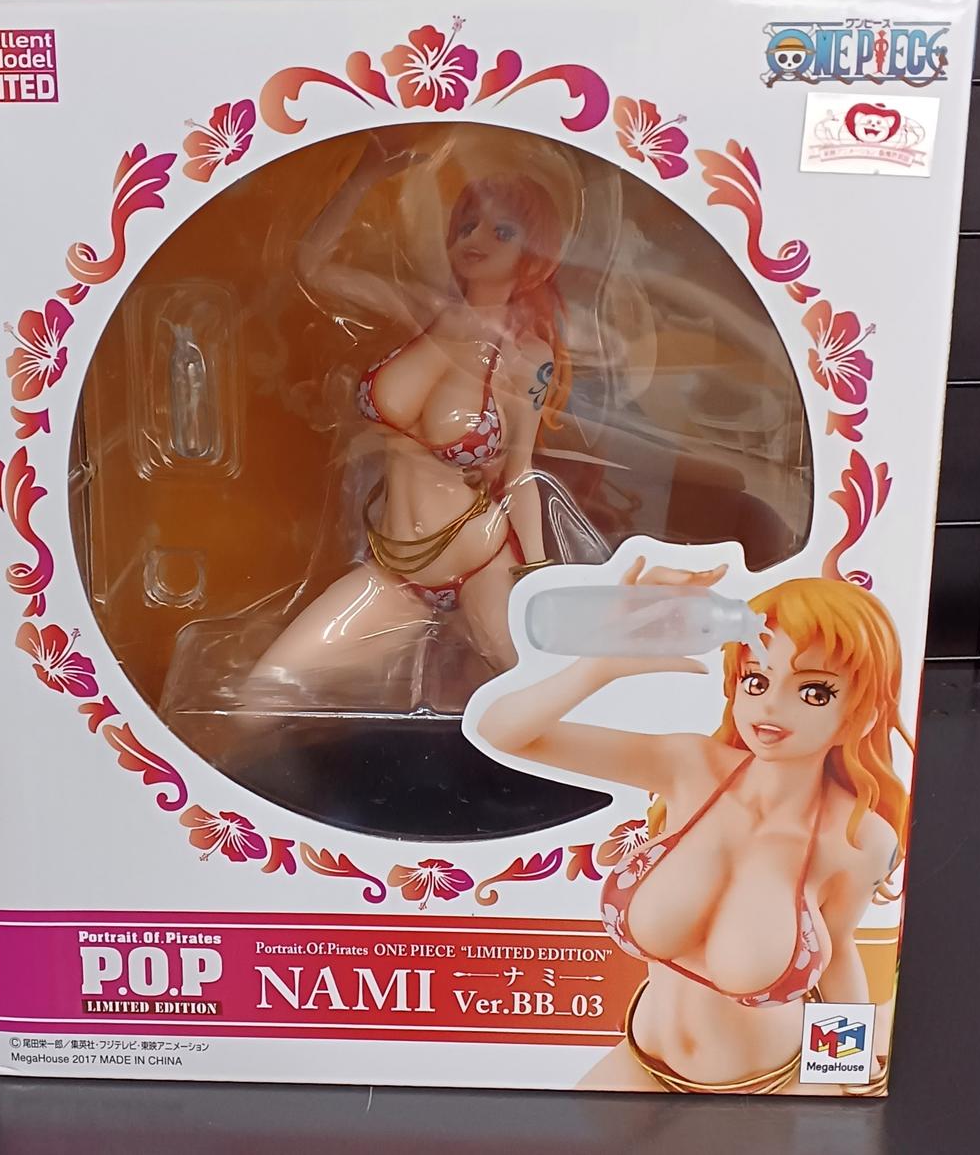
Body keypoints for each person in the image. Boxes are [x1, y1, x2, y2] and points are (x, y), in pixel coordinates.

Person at [476, 557, 911, 1093]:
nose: (771, 706)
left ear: (860, 712)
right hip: (641, 1063)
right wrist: (601, 665)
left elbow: (840, 951)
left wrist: (847, 1081)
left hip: (770, 1090)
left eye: (813, 691)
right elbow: (503, 733)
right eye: (756, 679)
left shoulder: (858, 837)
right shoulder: (690, 769)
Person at [251, 134, 573, 690]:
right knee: (266, 688)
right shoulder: (423, 311)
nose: (476, 239)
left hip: (480, 564)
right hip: (394, 569)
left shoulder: (526, 356)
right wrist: (364, 176)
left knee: (538, 700)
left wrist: (536, 579)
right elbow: (313, 265)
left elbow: (521, 473)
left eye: (502, 232)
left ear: (534, 255)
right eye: (467, 225)